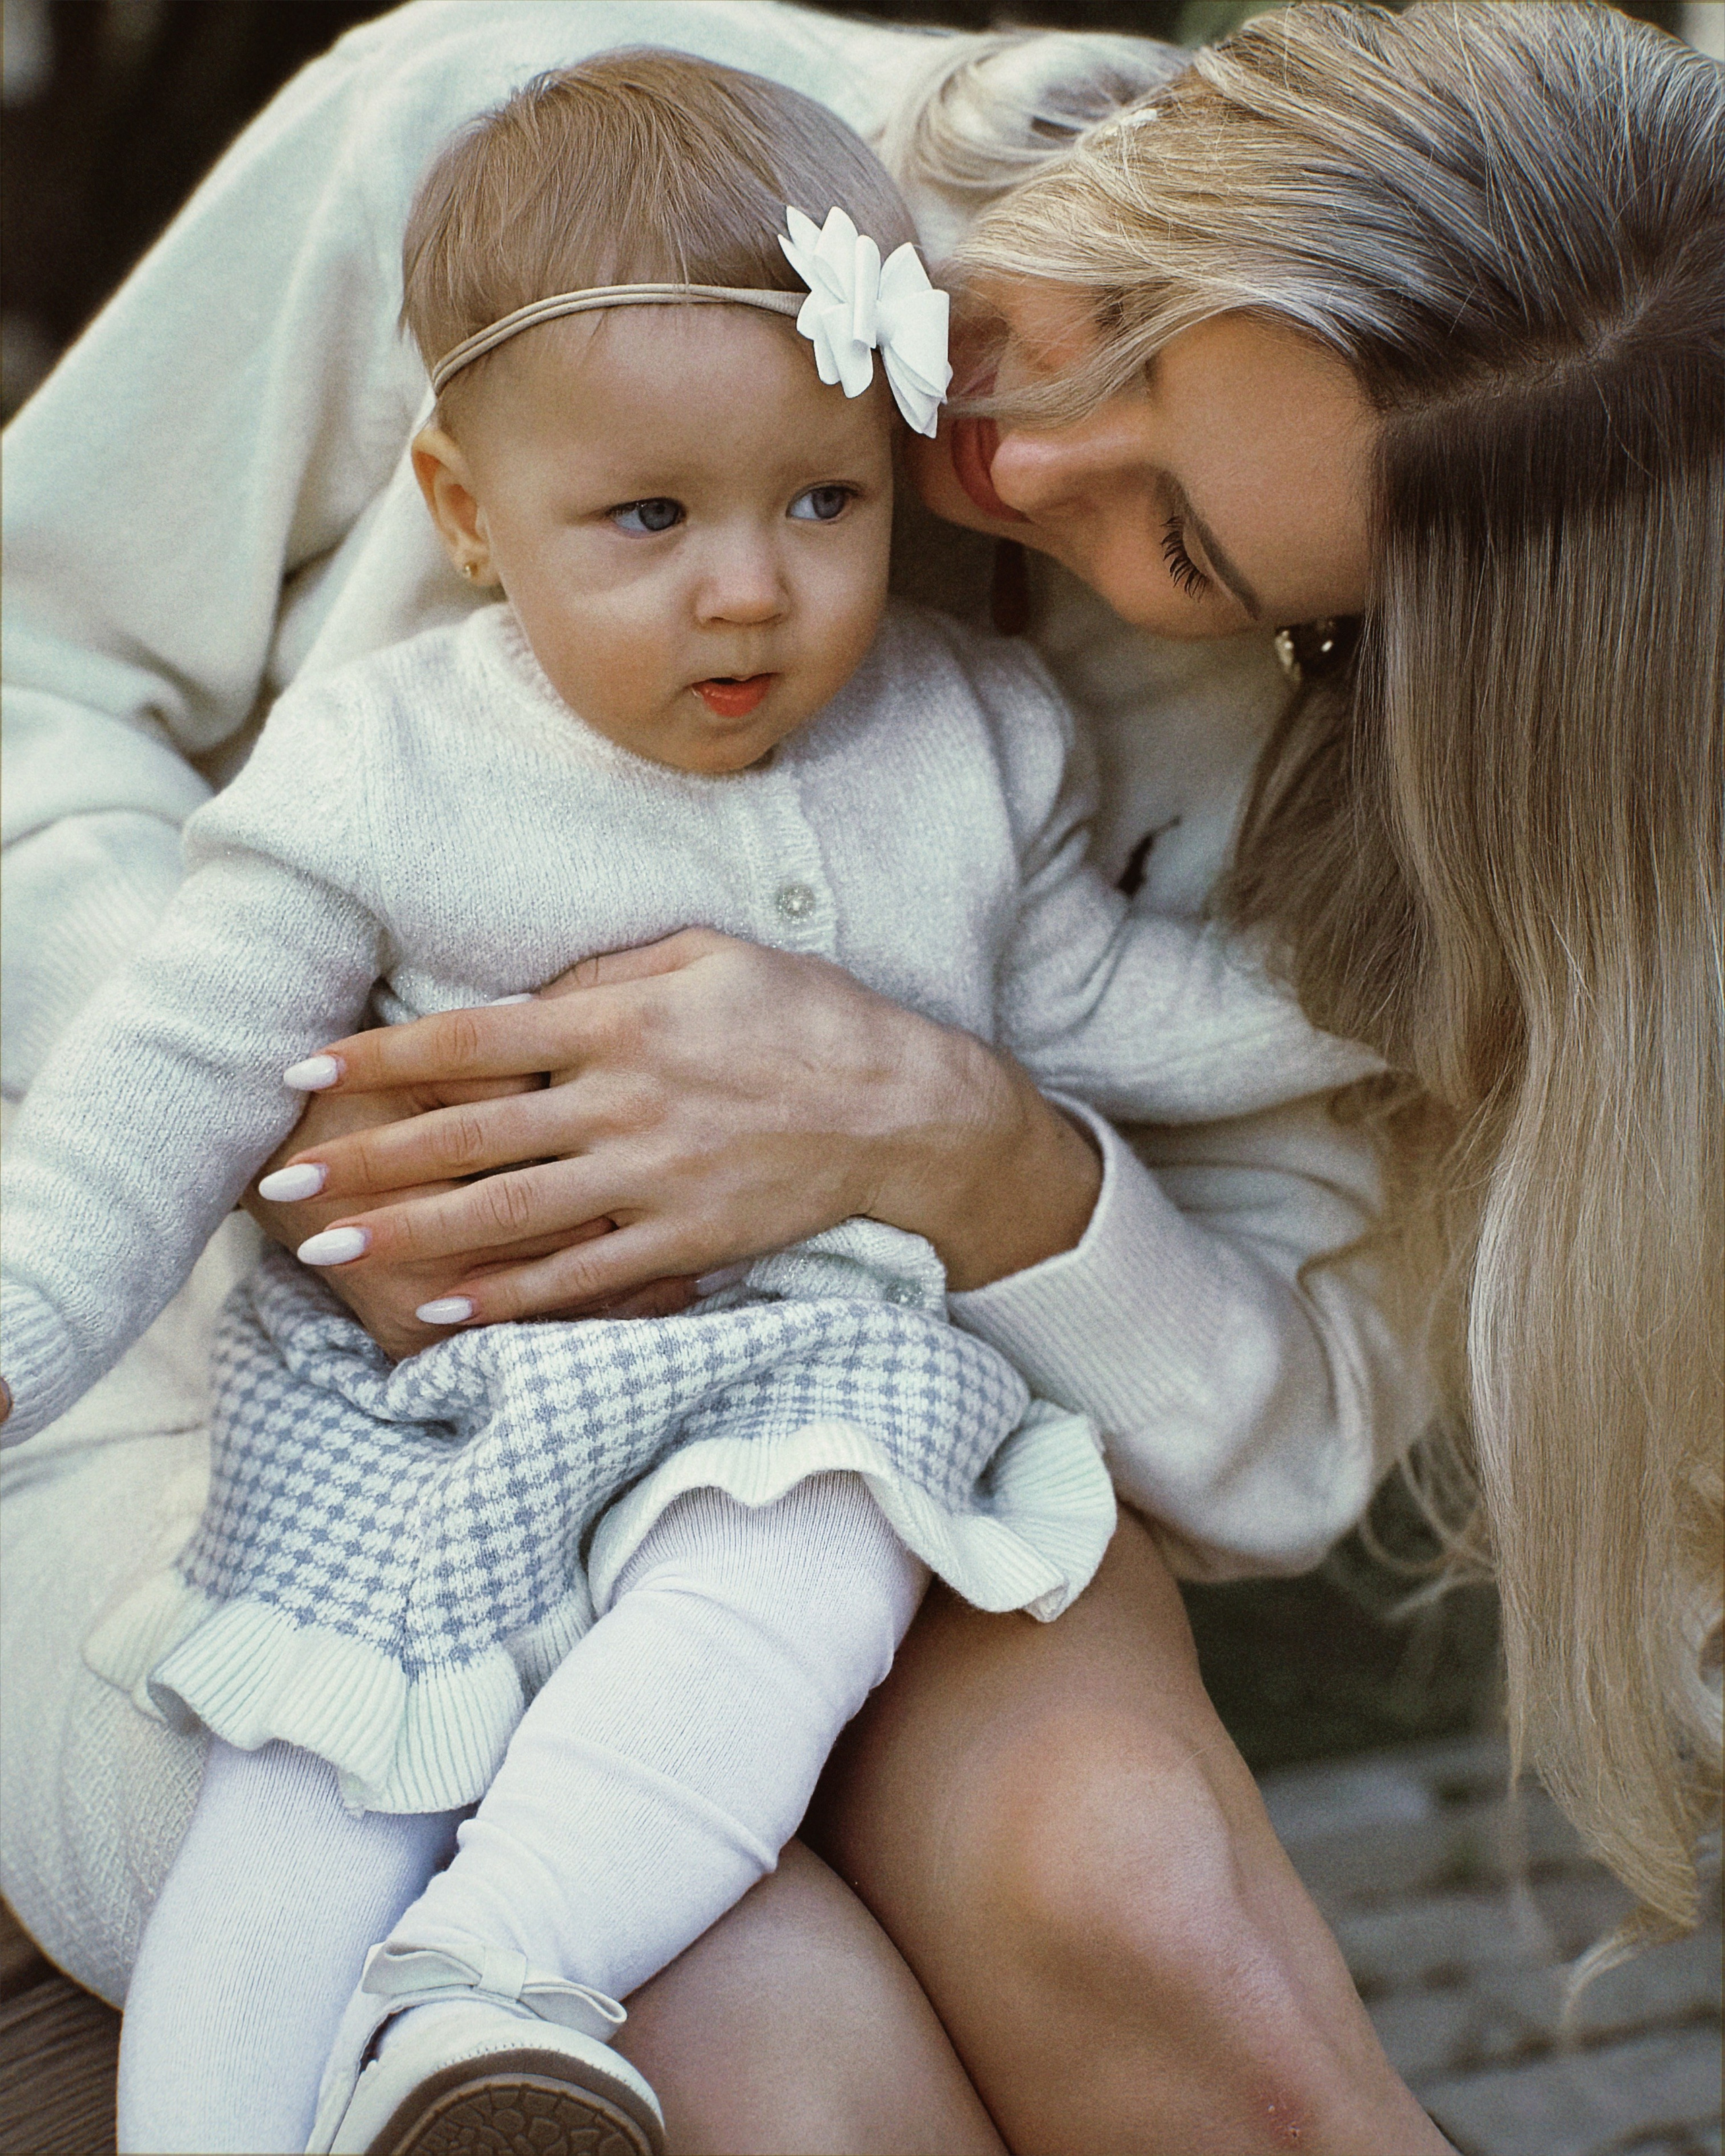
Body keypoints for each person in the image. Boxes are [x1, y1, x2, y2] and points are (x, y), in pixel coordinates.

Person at [1, 5, 1716, 2153]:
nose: (1025, 461)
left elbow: (1282, 1445)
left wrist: (978, 1160)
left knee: (1142, 1925)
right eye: (1130, 327)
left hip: (847, 1437)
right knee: (762, 2040)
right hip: (250, 1389)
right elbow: (30, 639)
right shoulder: (504, 143)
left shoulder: (1287, 747)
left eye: (1196, 559)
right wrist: (290, 1112)